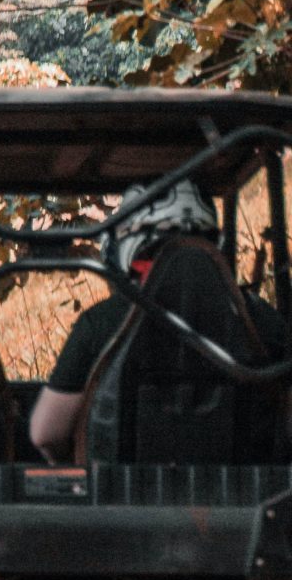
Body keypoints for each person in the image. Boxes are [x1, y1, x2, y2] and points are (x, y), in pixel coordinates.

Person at [30, 179, 287, 459]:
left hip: (119, 497)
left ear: (130, 242)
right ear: (214, 241)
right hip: (245, 497)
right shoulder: (264, 321)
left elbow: (46, 433)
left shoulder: (102, 322)